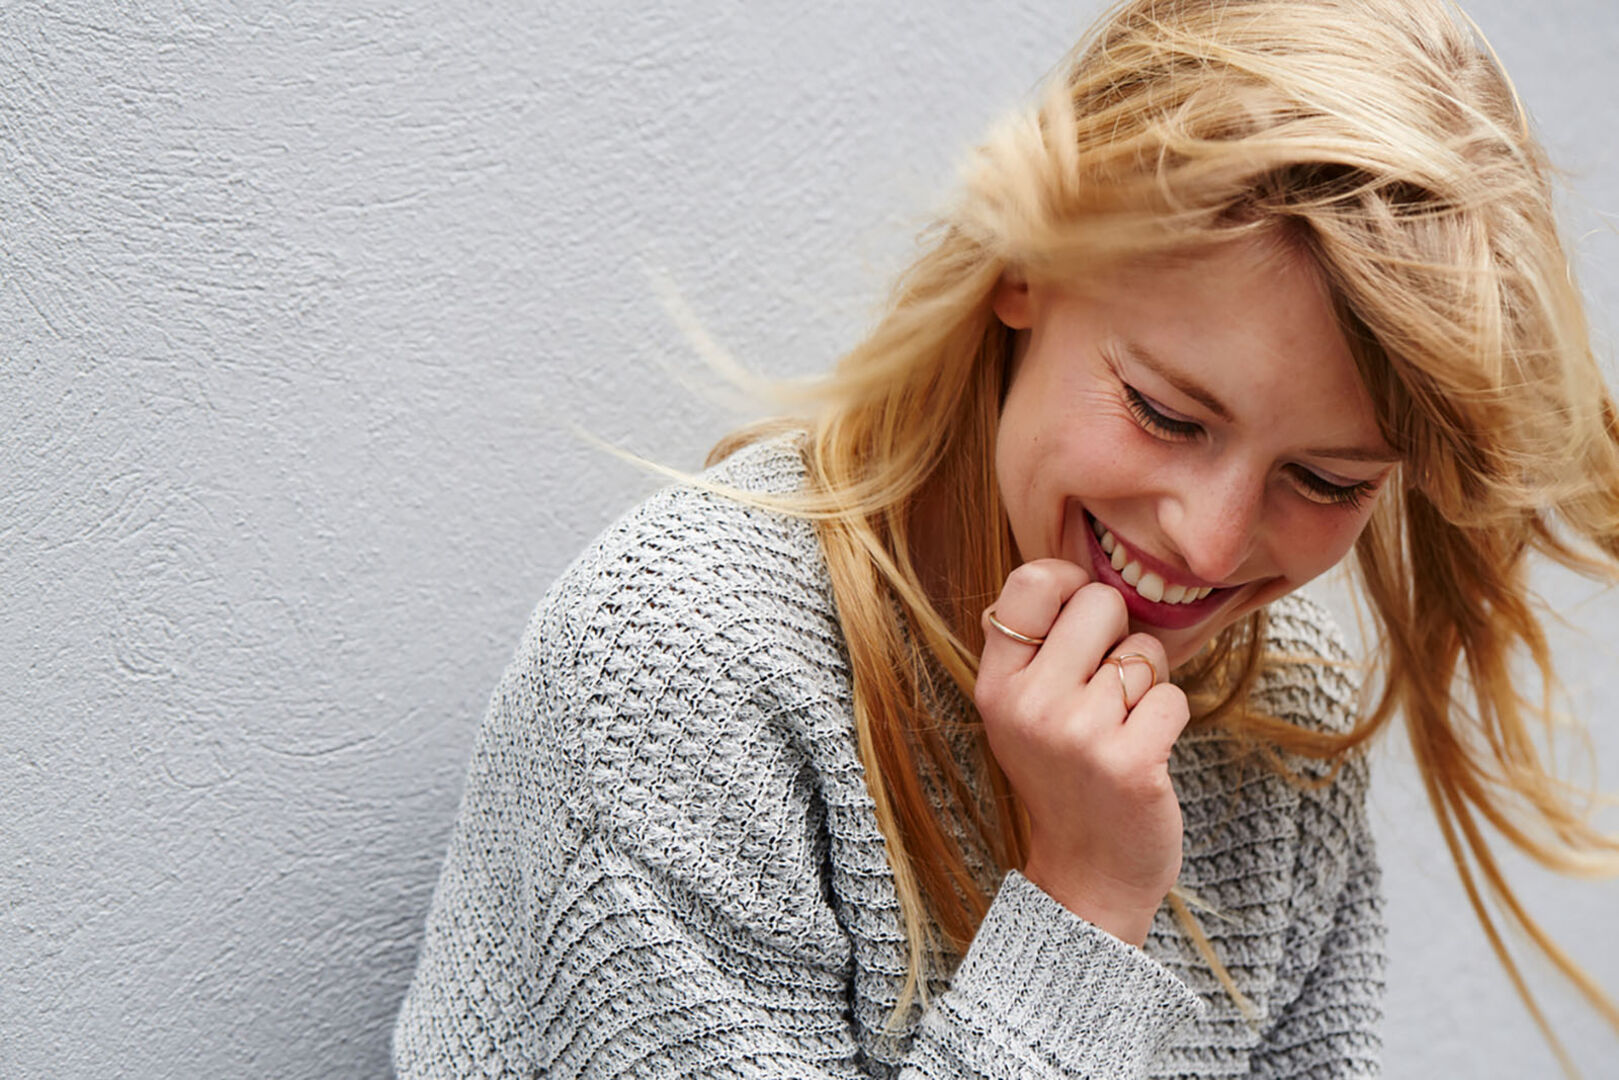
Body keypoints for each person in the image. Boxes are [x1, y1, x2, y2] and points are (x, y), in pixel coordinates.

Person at [393, 0, 1619, 1075]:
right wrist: (1084, 902)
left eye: (1325, 479)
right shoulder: (682, 670)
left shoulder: (1277, 740)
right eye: (1165, 413)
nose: (1207, 540)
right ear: (1022, 269)